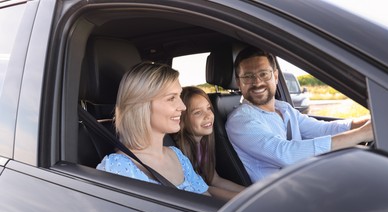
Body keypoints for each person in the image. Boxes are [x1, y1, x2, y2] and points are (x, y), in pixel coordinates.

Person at [226, 46, 373, 182]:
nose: (257, 83)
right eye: (248, 76)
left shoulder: (284, 108)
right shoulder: (241, 121)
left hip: (305, 180)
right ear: (239, 82)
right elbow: (286, 154)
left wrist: (372, 122)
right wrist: (361, 134)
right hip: (281, 198)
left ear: (275, 76)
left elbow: (322, 129)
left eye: (263, 74)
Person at [97, 61, 209, 195]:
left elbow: (207, 202)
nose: (183, 107)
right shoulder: (117, 168)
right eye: (171, 98)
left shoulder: (178, 156)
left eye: (179, 96)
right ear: (141, 106)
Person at [174, 86, 245, 201]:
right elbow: (202, 188)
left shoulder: (203, 143)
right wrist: (244, 198)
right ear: (182, 119)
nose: (208, 116)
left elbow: (214, 180)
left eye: (209, 108)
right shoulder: (178, 151)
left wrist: (252, 191)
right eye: (197, 112)